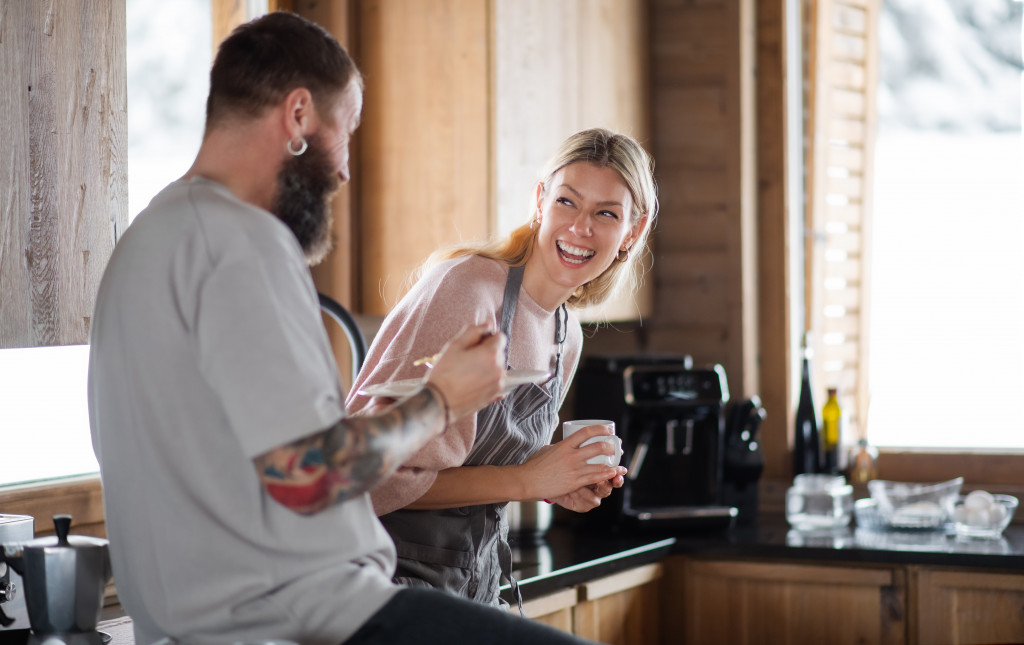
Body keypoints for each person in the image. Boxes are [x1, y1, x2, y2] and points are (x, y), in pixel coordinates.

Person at [88, 11, 598, 645]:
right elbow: (308, 477)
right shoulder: (242, 243)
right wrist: (441, 401)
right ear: (299, 116)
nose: (345, 170)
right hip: (313, 619)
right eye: (346, 132)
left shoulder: (148, 240)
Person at [345, 128, 658, 606]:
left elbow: (488, 472)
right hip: (383, 578)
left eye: (606, 214)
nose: (580, 228)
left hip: (477, 582)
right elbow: (368, 478)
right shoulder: (466, 292)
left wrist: (560, 483)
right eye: (567, 202)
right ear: (540, 201)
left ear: (630, 234)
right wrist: (529, 480)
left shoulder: (564, 334)